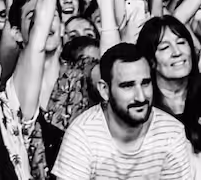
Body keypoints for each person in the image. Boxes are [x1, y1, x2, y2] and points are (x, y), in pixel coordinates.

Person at [52, 44, 193, 180]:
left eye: (145, 83)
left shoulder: (171, 133)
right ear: (104, 90)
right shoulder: (82, 135)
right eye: (127, 86)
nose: (141, 97)